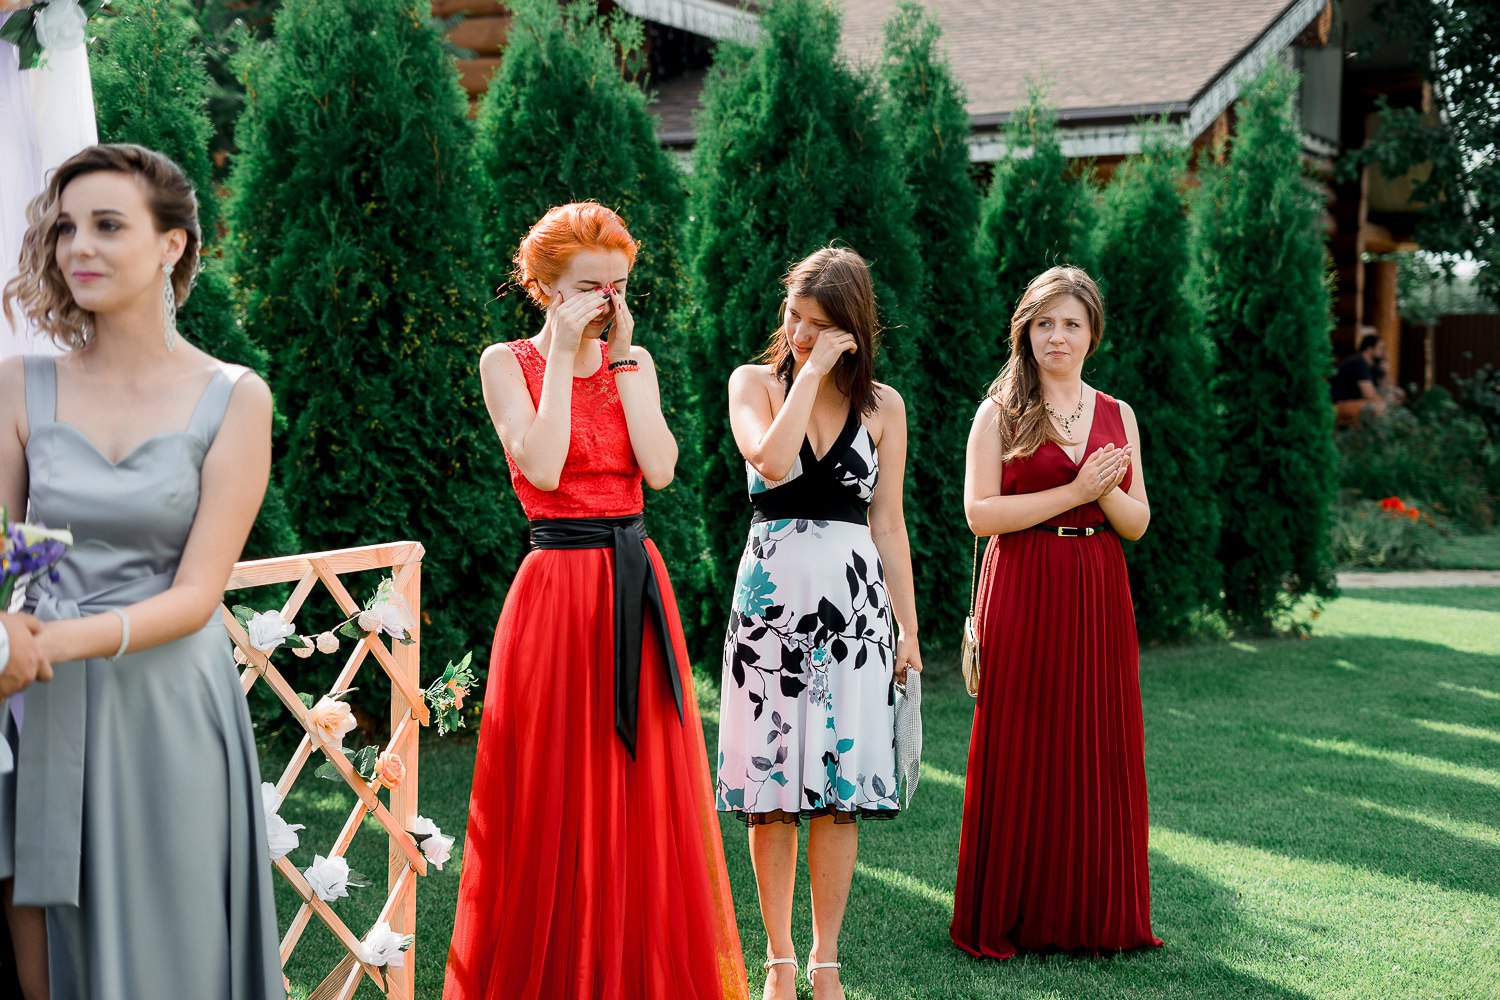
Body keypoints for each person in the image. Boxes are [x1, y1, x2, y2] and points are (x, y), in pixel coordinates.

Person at [0, 144, 283, 998]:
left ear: (172, 244)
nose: (78, 246)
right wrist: (12, 635)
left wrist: (51, 643)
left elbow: (197, 595)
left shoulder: (234, 395)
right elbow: (13, 549)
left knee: (177, 958)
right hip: (39, 703)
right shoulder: (19, 387)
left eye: (107, 225)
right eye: (65, 229)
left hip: (167, 710)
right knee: (52, 963)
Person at [444, 203, 746, 1000]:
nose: (607, 300)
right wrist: (561, 355)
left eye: (618, 285)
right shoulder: (504, 362)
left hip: (635, 582)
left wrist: (621, 362)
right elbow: (542, 468)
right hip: (556, 590)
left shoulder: (631, 361)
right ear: (545, 287)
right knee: (555, 784)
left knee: (640, 780)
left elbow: (661, 469)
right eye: (589, 287)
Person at [716, 247, 920, 1000]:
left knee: (841, 792)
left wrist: (908, 629)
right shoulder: (755, 384)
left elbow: (888, 523)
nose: (800, 333)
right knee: (771, 792)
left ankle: (825, 959)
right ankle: (777, 960)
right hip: (769, 613)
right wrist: (808, 370)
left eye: (819, 324)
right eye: (794, 316)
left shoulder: (885, 408)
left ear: (852, 328)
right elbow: (771, 462)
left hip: (855, 616)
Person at [951, 266, 1161, 961]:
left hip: (1097, 588)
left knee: (1096, 745)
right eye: (1044, 323)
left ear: (1092, 333)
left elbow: (1136, 523)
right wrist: (1075, 489)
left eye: (1071, 324)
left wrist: (1100, 492)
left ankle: (1091, 918)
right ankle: (1010, 913)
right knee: (1023, 743)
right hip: (1023, 583)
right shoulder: (999, 411)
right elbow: (980, 514)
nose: (1057, 337)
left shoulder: (1119, 414)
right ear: (1026, 331)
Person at [1331, 331, 1388, 425]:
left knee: (1381, 405)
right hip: (1338, 404)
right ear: (1370, 349)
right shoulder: (1358, 363)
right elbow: (1369, 395)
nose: (1383, 351)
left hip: (1351, 403)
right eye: (1380, 348)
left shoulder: (1370, 367)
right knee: (1376, 407)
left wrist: (1385, 372)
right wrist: (1385, 402)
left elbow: (1385, 390)